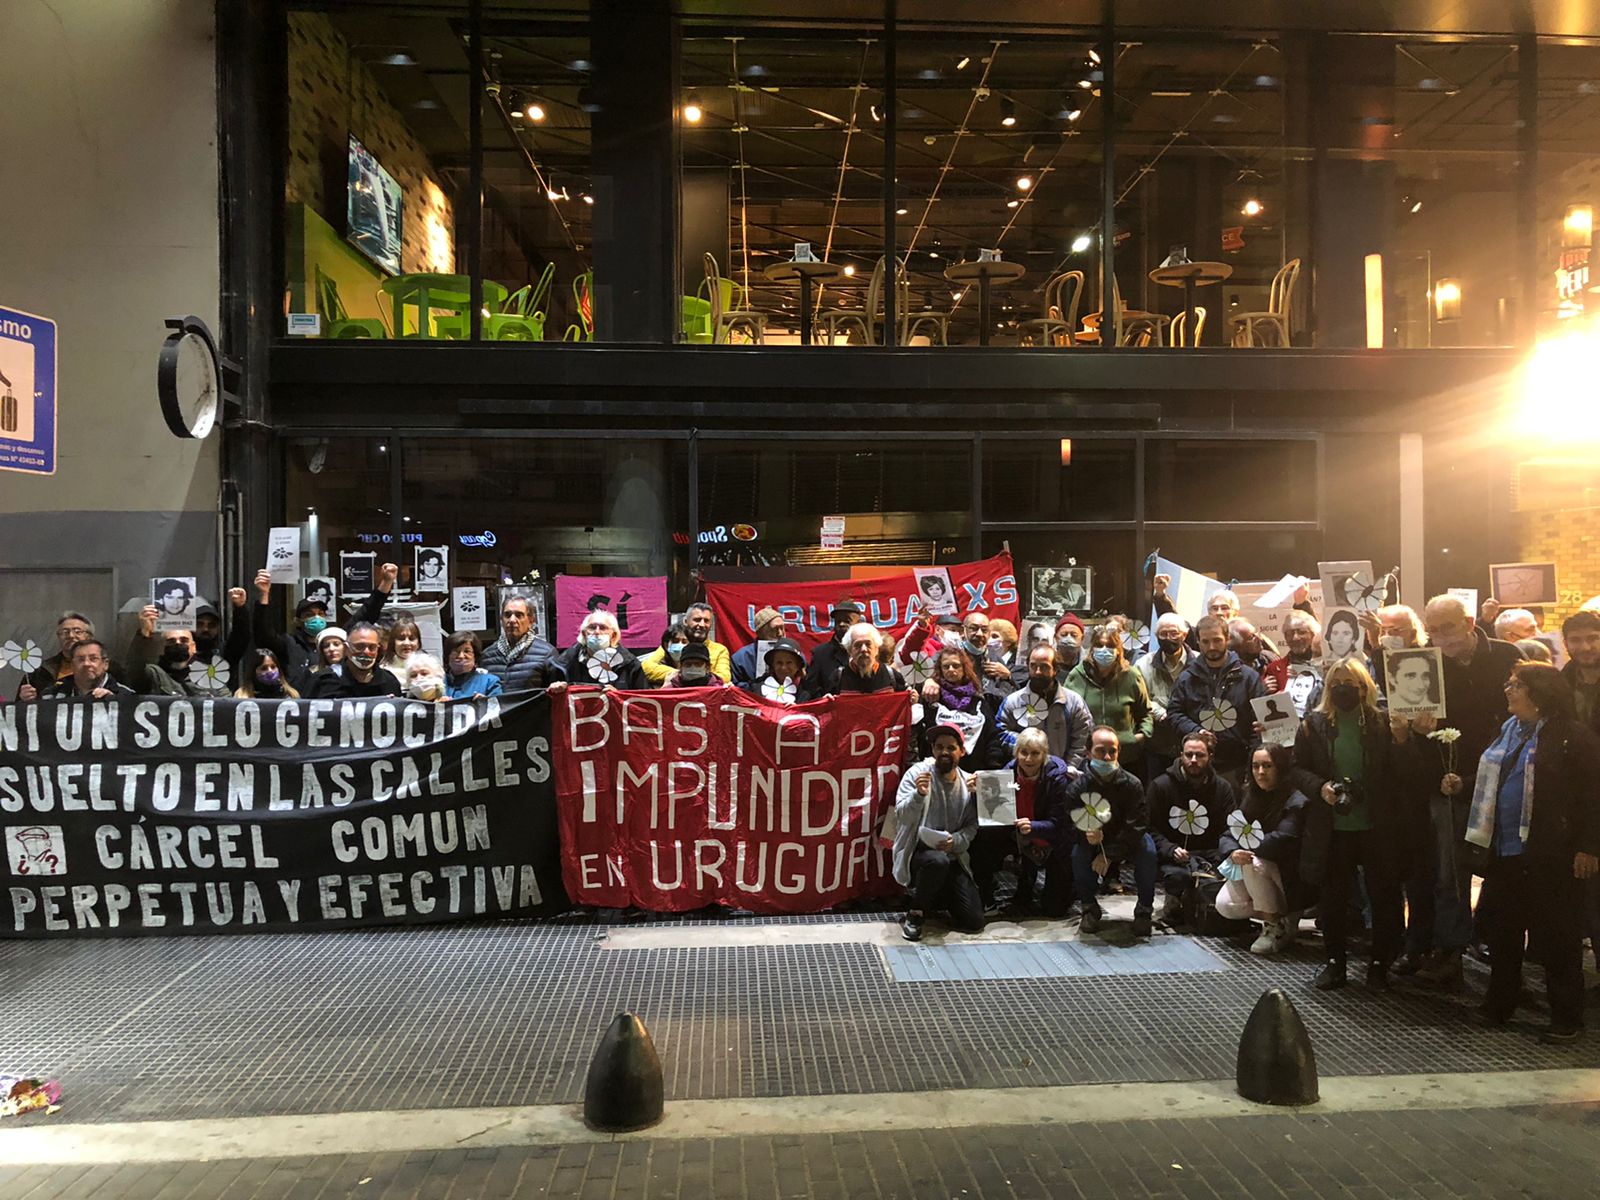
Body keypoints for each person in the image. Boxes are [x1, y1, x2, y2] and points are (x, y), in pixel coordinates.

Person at [1470, 663, 1600, 1043]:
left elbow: (1594, 796)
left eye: (1517, 685)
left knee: (1558, 938)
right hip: (1506, 851)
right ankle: (1500, 1003)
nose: (1508, 690)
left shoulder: (1573, 737)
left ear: (1539, 692)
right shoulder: (1509, 731)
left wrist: (1589, 847)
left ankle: (1566, 1018)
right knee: (1502, 931)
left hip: (1553, 854)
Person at [1415, 593, 1523, 988]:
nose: (1442, 638)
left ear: (1470, 621)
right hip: (1450, 781)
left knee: (1506, 869)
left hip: (1508, 779)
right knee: (1452, 872)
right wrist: (1419, 731)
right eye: (1434, 630)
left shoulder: (1507, 655)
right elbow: (1420, 730)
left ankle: (1500, 951)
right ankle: (1451, 950)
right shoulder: (1427, 666)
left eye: (1449, 627)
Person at [1290, 659, 1413, 992]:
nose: (1343, 687)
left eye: (1351, 681)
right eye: (1336, 682)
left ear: (1365, 686)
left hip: (1377, 825)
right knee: (1333, 899)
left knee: (1384, 898)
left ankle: (1379, 965)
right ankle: (1335, 964)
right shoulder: (1312, 724)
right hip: (1333, 826)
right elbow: (1297, 768)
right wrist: (1320, 788)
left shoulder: (1383, 723)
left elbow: (1402, 775)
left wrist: (1402, 742)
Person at [1215, 743, 1309, 955]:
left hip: (1288, 876)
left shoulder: (1296, 800)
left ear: (1281, 768)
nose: (1260, 772)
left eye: (1267, 766)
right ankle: (1281, 917)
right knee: (1225, 905)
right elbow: (1230, 832)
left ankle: (1273, 925)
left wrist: (1246, 851)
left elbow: (1283, 838)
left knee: (1252, 864)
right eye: (1256, 766)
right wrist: (1232, 852)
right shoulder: (1251, 796)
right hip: (1259, 867)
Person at [893, 724, 984, 940]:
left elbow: (973, 826)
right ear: (932, 750)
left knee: (974, 921)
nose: (944, 752)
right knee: (937, 862)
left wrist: (958, 840)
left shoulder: (969, 782)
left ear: (962, 751)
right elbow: (902, 817)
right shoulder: (917, 774)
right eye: (939, 747)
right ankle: (916, 912)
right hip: (919, 854)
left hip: (953, 854)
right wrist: (918, 795)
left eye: (951, 747)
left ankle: (937, 894)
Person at [1065, 726, 1158, 937]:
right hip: (1092, 842)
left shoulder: (1133, 784)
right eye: (1100, 751)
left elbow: (1137, 825)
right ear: (1088, 753)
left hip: (1127, 840)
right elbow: (1070, 825)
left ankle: (1144, 910)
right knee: (1078, 855)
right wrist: (1085, 835)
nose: (1107, 757)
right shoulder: (1076, 788)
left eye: (1112, 751)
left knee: (1149, 851)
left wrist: (1110, 854)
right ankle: (1089, 907)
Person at [253, 562, 396, 689]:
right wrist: (264, 595)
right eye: (309, 615)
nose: (316, 617)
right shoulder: (289, 644)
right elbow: (264, 635)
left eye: (320, 613)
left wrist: (386, 582)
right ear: (298, 620)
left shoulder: (339, 636)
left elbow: (367, 612)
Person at [1146, 731, 1235, 924]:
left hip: (1210, 854)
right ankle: (1175, 898)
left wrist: (1223, 854)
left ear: (1210, 757)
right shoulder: (1160, 786)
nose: (1193, 760)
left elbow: (1229, 828)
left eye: (1200, 755)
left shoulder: (1223, 788)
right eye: (1189, 755)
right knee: (1177, 876)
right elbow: (1149, 828)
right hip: (1174, 856)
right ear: (1180, 755)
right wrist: (1170, 849)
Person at [1168, 614, 1265, 787]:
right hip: (1196, 766)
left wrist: (1252, 765)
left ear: (1227, 639)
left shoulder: (1249, 678)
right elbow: (1175, 713)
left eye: (1217, 640)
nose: (1211, 646)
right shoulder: (1186, 678)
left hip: (1237, 766)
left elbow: (1259, 724)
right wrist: (1196, 731)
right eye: (1205, 642)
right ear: (1197, 642)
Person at [997, 727, 1076, 917]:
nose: (1029, 759)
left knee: (1054, 910)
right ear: (1016, 753)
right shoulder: (1006, 774)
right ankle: (1020, 888)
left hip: (1056, 841)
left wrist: (1034, 827)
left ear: (1044, 755)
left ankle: (1072, 887)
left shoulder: (1057, 778)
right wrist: (978, 793)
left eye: (1035, 753)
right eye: (1024, 752)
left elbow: (1060, 824)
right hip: (1022, 838)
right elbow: (993, 813)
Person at [1065, 626, 1153, 770]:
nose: (1104, 649)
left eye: (1110, 645)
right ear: (1092, 649)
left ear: (1118, 650)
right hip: (1088, 758)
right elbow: (1067, 714)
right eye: (1099, 645)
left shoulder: (1132, 676)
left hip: (1127, 758)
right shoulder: (1076, 676)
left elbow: (1145, 712)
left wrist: (1141, 736)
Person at [994, 644, 1092, 770]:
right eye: (1033, 666)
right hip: (1024, 774)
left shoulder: (1074, 702)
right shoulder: (1013, 701)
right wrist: (1027, 743)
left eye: (1044, 667)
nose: (1038, 672)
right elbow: (1000, 732)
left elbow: (1082, 741)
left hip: (1063, 775)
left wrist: (1068, 769)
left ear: (1056, 669)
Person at [1135, 611, 1195, 771]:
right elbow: (1139, 698)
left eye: (1174, 633)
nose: (1169, 638)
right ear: (1156, 636)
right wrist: (1158, 711)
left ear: (1184, 634)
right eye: (1163, 634)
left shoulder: (1199, 663)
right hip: (1157, 746)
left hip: (1192, 745)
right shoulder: (1143, 665)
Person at [549, 609, 647, 691]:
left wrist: (618, 697)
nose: (597, 632)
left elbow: (641, 703)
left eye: (603, 628)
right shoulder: (564, 663)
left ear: (613, 635)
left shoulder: (630, 664)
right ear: (584, 634)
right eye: (592, 627)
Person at [480, 594, 559, 692]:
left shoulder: (546, 653)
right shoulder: (487, 655)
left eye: (519, 615)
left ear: (531, 621)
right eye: (507, 615)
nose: (512, 620)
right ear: (501, 620)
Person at [305, 622, 403, 698]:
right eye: (359, 646)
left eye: (372, 647)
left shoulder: (389, 681)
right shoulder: (323, 680)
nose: (366, 652)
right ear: (346, 649)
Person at [123, 607, 206, 696]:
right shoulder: (154, 675)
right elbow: (135, 668)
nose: (178, 644)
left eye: (184, 640)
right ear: (162, 647)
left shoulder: (208, 675)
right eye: (171, 641)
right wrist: (144, 634)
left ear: (193, 647)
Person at [1262, 610, 1323, 716]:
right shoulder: (1275, 668)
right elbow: (1265, 711)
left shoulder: (1327, 666)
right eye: (1289, 634)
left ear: (1313, 634)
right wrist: (1263, 691)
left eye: (1301, 632)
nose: (1295, 638)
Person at [801, 599, 865, 699]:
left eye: (847, 621)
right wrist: (822, 699)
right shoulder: (820, 654)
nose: (842, 624)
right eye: (838, 621)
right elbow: (810, 688)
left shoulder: (868, 651)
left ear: (859, 623)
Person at [32, 639, 135, 699]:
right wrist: (28, 703)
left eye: (93, 659)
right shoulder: (52, 693)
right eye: (80, 659)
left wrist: (114, 703)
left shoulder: (125, 695)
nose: (86, 664)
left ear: (105, 664)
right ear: (72, 665)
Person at [835, 621, 900, 694]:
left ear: (876, 649)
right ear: (849, 651)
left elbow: (904, 701)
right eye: (858, 645)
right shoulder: (838, 677)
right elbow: (826, 701)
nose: (863, 649)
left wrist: (913, 697)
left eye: (868, 644)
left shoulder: (891, 675)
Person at [730, 607, 786, 688]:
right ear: (761, 632)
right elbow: (734, 687)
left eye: (782, 628)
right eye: (774, 629)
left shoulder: (795, 653)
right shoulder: (740, 659)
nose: (780, 633)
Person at [443, 632, 503, 699]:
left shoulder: (490, 682)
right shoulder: (435, 683)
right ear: (448, 655)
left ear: (475, 656)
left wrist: (485, 703)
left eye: (467, 651)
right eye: (456, 651)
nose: (461, 656)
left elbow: (499, 707)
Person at [683, 602, 732, 682]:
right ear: (685, 621)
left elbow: (724, 677)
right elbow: (654, 668)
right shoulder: (677, 645)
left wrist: (693, 675)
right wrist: (678, 674)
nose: (702, 624)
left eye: (706, 621)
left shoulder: (720, 650)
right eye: (697, 620)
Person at [752, 638, 807, 704]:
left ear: (798, 666)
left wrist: (797, 710)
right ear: (773, 665)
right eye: (779, 662)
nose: (783, 667)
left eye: (789, 662)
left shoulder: (806, 694)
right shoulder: (758, 690)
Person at [639, 621, 691, 686]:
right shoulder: (655, 669)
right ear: (666, 645)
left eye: (684, 642)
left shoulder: (693, 666)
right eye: (675, 641)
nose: (680, 644)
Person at [233, 648, 298, 700]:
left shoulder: (291, 696)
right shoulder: (241, 697)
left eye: (273, 667)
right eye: (264, 668)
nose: (270, 671)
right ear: (253, 672)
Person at [983, 618, 1020, 702]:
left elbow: (1021, 689)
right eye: (988, 635)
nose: (989, 640)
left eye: (994, 636)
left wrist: (1009, 676)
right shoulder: (984, 657)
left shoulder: (1019, 663)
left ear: (1008, 641)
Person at [381, 615, 423, 684]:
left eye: (411, 639)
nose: (406, 643)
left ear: (418, 643)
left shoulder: (428, 669)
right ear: (393, 642)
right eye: (401, 638)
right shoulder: (384, 672)